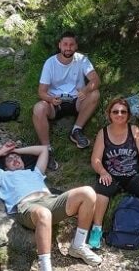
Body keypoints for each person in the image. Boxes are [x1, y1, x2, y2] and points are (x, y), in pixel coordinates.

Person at [0, 142, 102, 271]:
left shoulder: (35, 172)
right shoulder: (3, 176)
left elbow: (43, 149)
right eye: (10, 159)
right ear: (5, 166)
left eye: (17, 158)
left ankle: (78, 246)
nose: (14, 159)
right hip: (28, 207)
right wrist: (2, 152)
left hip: (50, 200)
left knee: (88, 192)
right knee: (44, 214)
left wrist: (15, 150)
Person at [88, 97, 139, 251]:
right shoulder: (103, 133)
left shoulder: (134, 131)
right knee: (102, 191)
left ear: (128, 114)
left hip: (133, 175)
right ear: (109, 114)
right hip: (111, 175)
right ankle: (96, 230)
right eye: (115, 111)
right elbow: (96, 159)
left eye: (123, 111)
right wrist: (103, 172)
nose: (119, 114)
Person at [32, 30, 100, 170]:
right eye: (65, 44)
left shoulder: (81, 59)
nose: (68, 48)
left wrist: (85, 90)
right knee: (38, 108)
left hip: (77, 100)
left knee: (95, 94)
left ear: (76, 46)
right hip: (56, 103)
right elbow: (41, 92)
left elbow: (95, 80)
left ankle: (76, 130)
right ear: (59, 45)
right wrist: (50, 99)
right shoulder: (50, 63)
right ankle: (46, 149)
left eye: (71, 45)